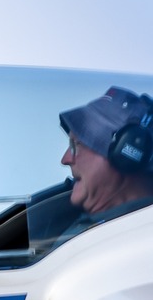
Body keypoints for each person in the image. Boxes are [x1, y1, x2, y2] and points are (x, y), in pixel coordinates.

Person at [56, 86, 153, 243]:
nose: (66, 159)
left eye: (77, 145)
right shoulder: (105, 228)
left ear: (127, 151)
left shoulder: (133, 244)